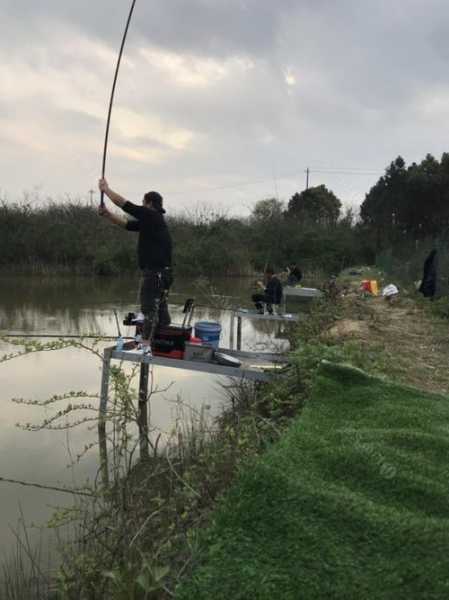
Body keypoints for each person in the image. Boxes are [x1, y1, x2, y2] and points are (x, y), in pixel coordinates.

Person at [98, 178, 173, 356]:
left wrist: (106, 189)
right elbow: (127, 225)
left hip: (155, 274)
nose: (141, 205)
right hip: (164, 274)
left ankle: (145, 346)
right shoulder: (154, 221)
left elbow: (125, 205)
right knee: (160, 311)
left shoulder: (151, 215)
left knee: (148, 310)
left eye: (143, 202)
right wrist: (107, 214)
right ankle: (161, 338)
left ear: (149, 203)